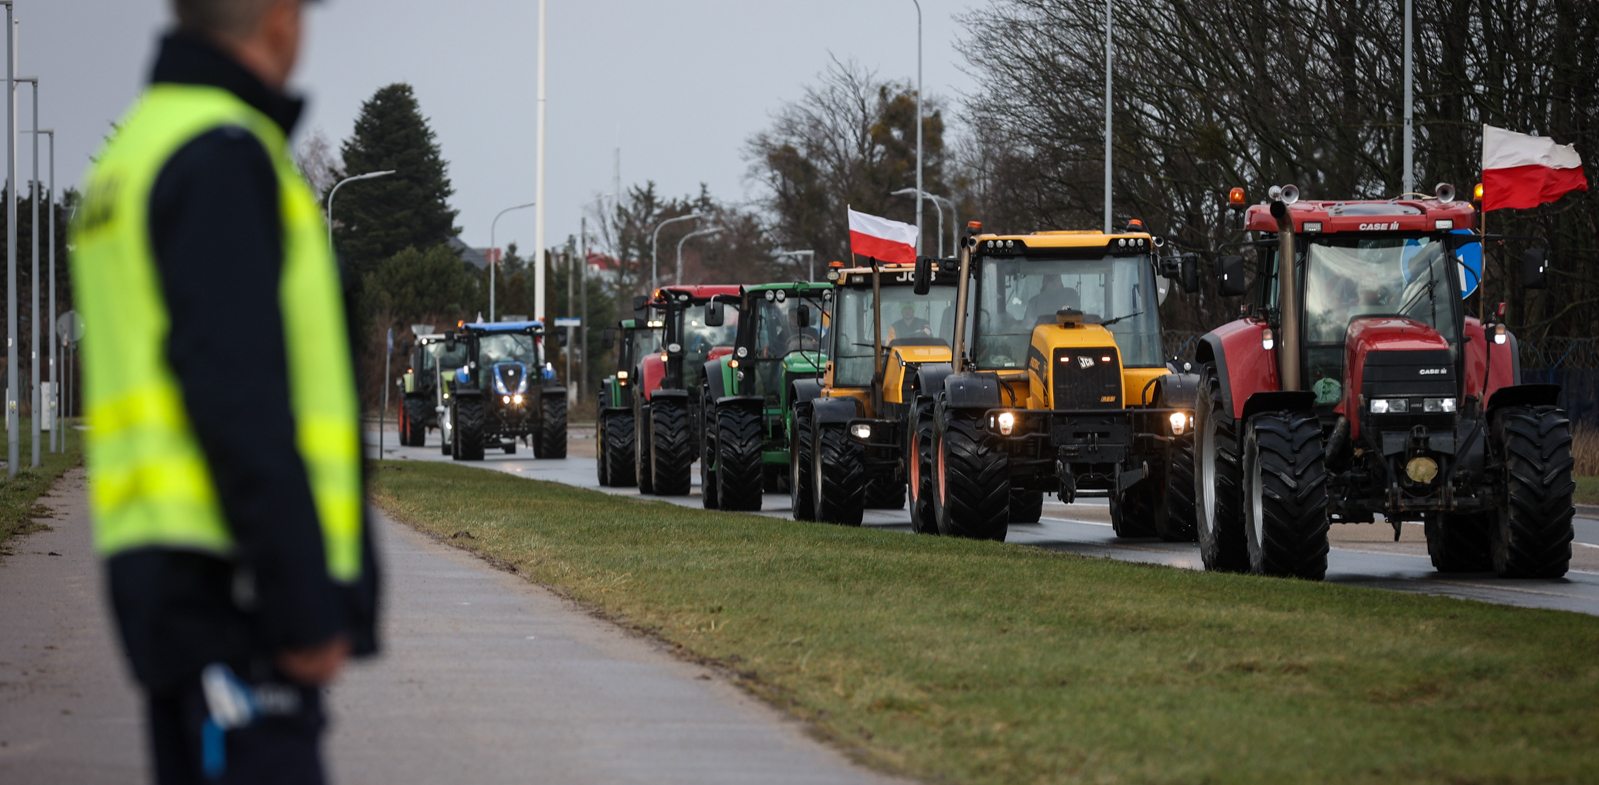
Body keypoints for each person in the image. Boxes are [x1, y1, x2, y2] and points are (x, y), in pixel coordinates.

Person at [69, 1, 379, 783]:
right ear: (277, 20)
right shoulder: (221, 155)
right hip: (238, 591)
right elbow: (238, 396)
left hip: (174, 581)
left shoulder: (137, 152)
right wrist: (302, 603)